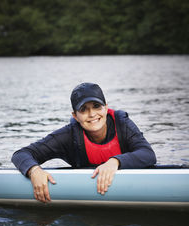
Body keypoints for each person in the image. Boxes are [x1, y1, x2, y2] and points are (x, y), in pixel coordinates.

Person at [12, 82, 156, 203]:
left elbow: (148, 154)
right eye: (83, 109)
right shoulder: (68, 135)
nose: (92, 114)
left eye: (96, 106)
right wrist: (34, 171)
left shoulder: (122, 124)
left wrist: (115, 162)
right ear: (75, 116)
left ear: (106, 107)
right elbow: (21, 154)